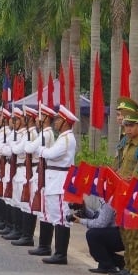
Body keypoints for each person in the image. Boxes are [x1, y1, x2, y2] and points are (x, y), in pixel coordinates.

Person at [36, 105, 78, 265]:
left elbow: (52, 154)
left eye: (59, 119)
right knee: (55, 215)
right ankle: (55, 250)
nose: (55, 122)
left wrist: (41, 151)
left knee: (61, 217)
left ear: (66, 122)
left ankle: (61, 254)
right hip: (54, 179)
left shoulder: (67, 138)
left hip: (61, 180)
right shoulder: (62, 137)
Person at [75, 201, 124, 273]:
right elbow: (96, 216)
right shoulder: (105, 199)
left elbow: (101, 224)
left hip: (121, 234)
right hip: (115, 232)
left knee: (93, 235)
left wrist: (81, 221)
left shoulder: (109, 201)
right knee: (96, 240)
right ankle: (120, 262)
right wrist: (84, 209)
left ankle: (107, 265)